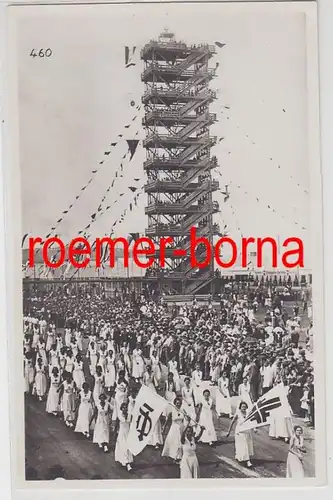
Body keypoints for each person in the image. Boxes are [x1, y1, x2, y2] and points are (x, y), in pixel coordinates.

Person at [227, 401, 254, 468]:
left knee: (247, 446)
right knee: (243, 446)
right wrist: (228, 432)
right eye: (242, 407)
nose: (244, 408)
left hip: (247, 432)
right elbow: (232, 422)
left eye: (245, 407)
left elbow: (252, 421)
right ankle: (248, 461)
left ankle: (238, 456)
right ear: (240, 407)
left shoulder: (248, 413)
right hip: (240, 432)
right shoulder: (238, 413)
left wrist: (255, 428)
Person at [162, 397, 185, 463]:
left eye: (180, 403)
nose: (178, 404)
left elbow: (184, 419)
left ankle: (179, 457)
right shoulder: (172, 411)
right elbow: (167, 421)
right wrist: (164, 428)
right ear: (175, 403)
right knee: (175, 443)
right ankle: (175, 457)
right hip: (174, 428)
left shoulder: (182, 410)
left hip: (181, 428)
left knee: (180, 442)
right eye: (177, 403)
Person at [115, 402, 133, 471]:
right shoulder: (119, 415)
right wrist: (115, 434)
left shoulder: (130, 415)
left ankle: (127, 462)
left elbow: (132, 424)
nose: (125, 409)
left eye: (126, 407)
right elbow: (117, 425)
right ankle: (127, 463)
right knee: (123, 447)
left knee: (127, 447)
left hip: (128, 434)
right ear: (121, 408)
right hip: (122, 434)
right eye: (123, 407)